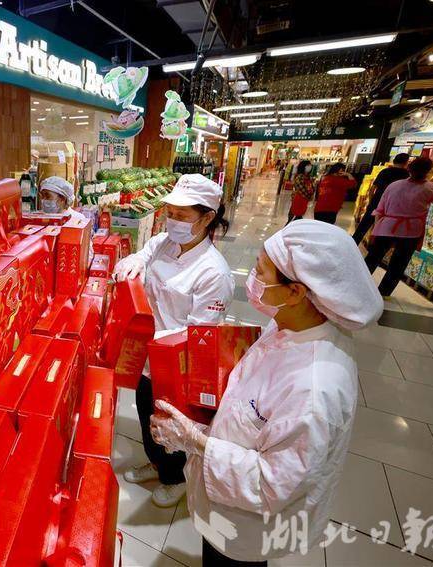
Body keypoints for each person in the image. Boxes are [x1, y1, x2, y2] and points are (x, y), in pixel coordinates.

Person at [150, 220, 383, 565]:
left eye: (261, 272)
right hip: (223, 501)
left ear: (296, 292)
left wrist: (195, 442)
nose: (252, 279)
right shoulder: (292, 323)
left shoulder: (314, 387)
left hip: (246, 525)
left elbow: (271, 484)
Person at [112, 174, 234, 508]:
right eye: (170, 213)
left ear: (207, 218)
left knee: (170, 426)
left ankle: (175, 478)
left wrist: (151, 337)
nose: (173, 221)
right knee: (145, 415)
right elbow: (148, 251)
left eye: (182, 215)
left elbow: (200, 335)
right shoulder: (165, 242)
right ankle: (155, 464)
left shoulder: (213, 272)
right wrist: (137, 259)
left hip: (177, 364)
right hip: (146, 356)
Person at [365, 157, 433, 296]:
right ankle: (384, 292)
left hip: (387, 227)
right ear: (429, 172)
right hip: (411, 230)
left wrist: (376, 228)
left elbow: (380, 209)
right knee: (398, 263)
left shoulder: (394, 185)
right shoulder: (432, 188)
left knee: (373, 258)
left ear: (409, 169)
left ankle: (359, 284)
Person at [352, 153, 410, 243]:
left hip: (377, 202)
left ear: (394, 161)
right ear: (406, 162)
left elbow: (373, 188)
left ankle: (353, 244)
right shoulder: (406, 175)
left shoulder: (385, 171)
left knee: (363, 227)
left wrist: (371, 201)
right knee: (384, 231)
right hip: (393, 206)